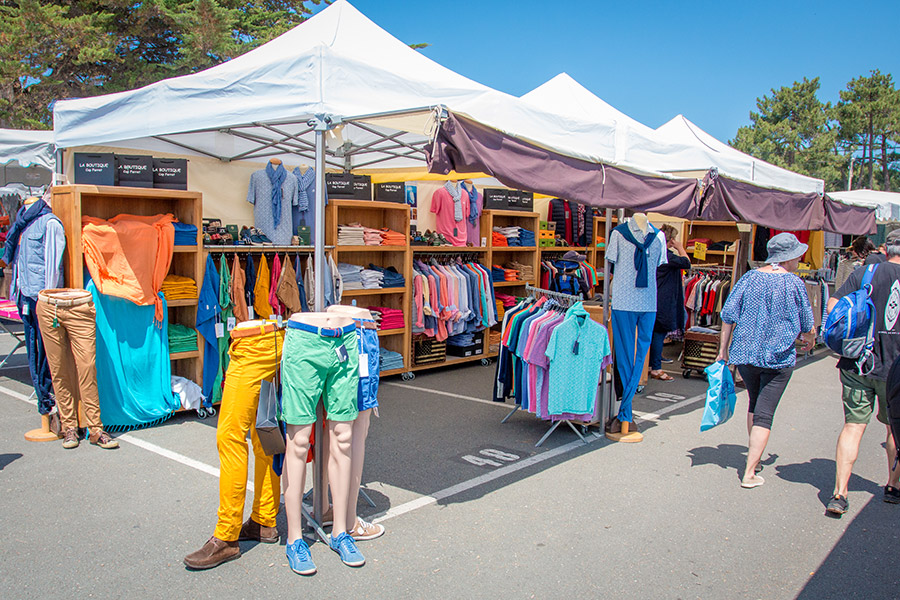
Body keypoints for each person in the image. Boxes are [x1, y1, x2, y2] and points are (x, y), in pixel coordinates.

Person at [717, 233, 816, 489]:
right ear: (789, 257)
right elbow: (807, 322)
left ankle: (755, 459)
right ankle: (750, 472)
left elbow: (728, 314)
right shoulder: (794, 284)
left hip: (746, 354)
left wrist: (723, 351)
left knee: (754, 402)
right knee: (764, 413)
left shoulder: (749, 278)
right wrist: (811, 339)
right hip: (778, 356)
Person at [824, 228, 900, 516]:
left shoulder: (865, 274)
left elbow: (834, 308)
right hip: (895, 367)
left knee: (853, 427)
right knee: (894, 427)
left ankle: (840, 493)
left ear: (886, 250)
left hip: (858, 362)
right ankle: (893, 485)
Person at [649, 224, 690, 381]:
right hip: (663, 300)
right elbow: (687, 262)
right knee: (658, 333)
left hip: (653, 297)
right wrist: (680, 247)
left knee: (653, 333)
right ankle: (656, 367)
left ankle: (652, 364)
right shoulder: (667, 256)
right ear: (671, 240)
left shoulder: (654, 253)